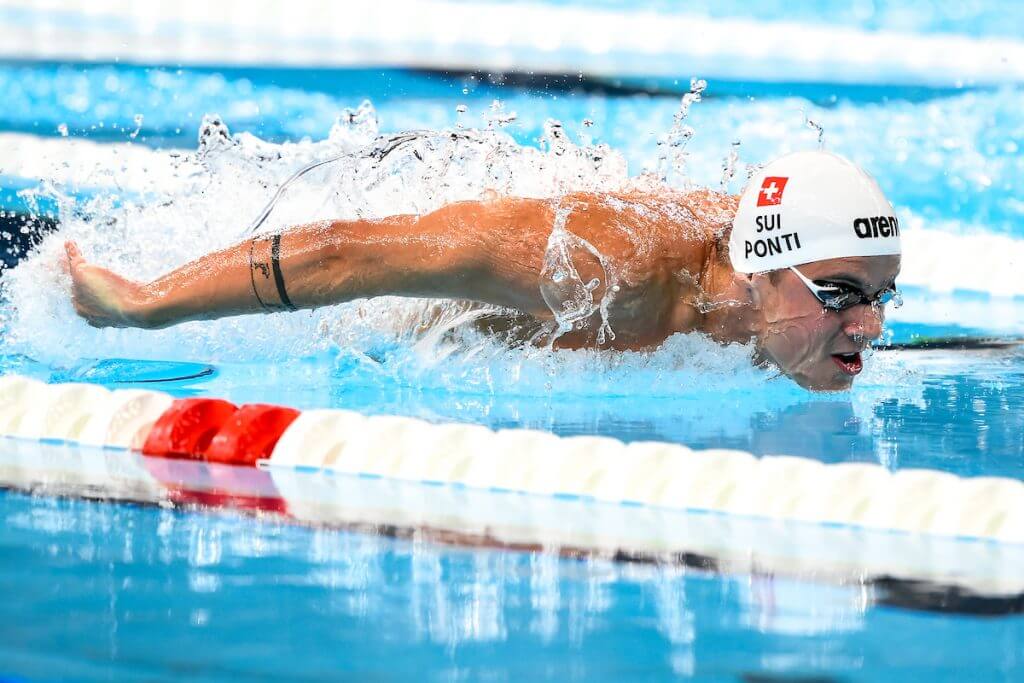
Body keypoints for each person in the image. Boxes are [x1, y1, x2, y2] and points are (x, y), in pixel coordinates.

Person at [65, 150, 901, 391]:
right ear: (758, 270)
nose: (870, 328)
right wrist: (148, 304)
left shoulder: (777, 314)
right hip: (395, 334)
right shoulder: (596, 270)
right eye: (842, 297)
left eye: (880, 299)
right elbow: (353, 252)